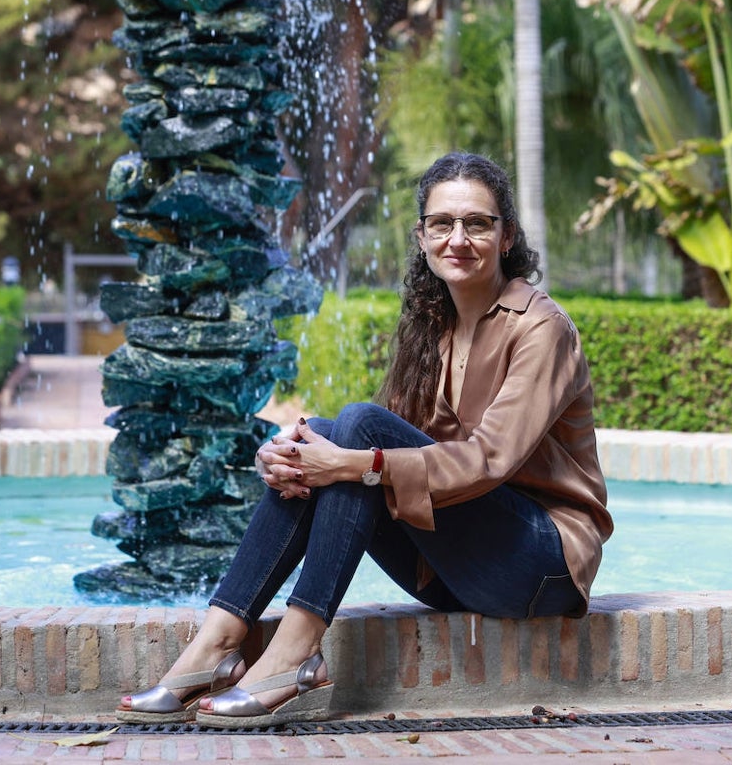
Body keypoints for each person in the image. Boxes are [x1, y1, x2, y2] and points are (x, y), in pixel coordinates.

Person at [115, 151, 613, 729]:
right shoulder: (431, 323)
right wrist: (295, 456)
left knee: (358, 433)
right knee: (333, 432)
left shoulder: (541, 327)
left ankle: (295, 650)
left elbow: (487, 460)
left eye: (477, 223)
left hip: (539, 564)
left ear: (506, 238)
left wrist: (349, 461)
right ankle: (219, 640)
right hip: (454, 567)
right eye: (442, 223)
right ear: (421, 236)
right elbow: (383, 444)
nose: (458, 238)